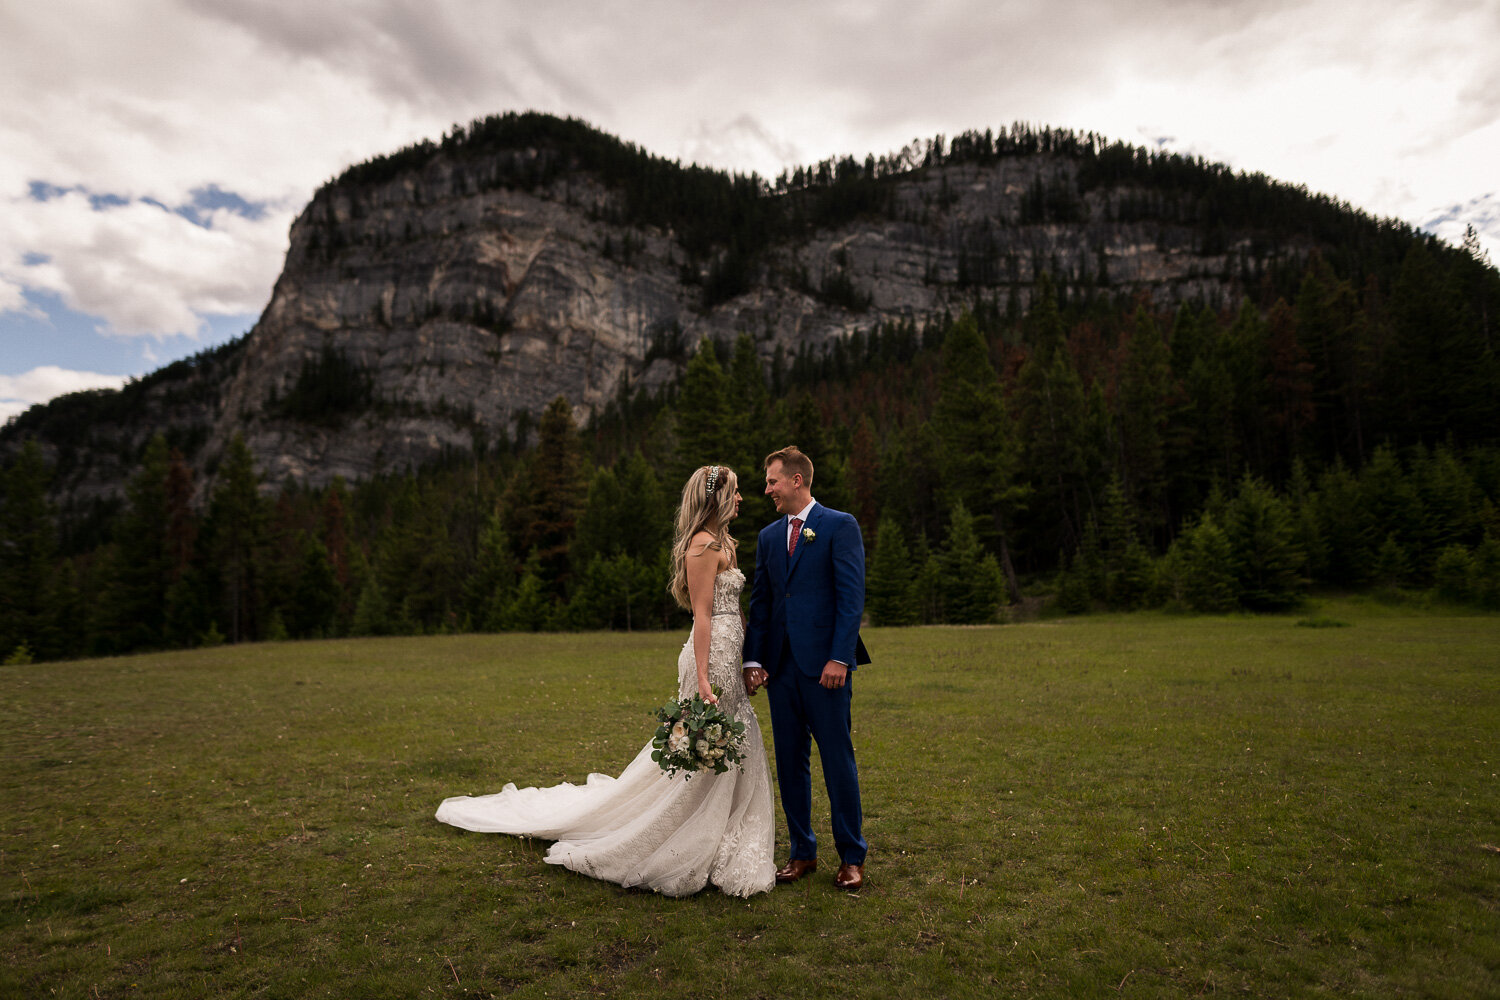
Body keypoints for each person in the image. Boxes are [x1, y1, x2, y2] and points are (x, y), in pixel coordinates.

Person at [434, 465, 776, 897]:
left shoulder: (725, 541)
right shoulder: (701, 546)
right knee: (708, 748)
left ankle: (725, 838)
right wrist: (705, 680)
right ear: (716, 498)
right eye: (736, 492)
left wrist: (749, 658)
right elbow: (703, 616)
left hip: (732, 651)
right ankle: (680, 838)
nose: (743, 498)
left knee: (735, 742)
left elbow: (734, 609)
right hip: (709, 657)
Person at [742, 445, 870, 891]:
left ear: (797, 480)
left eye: (772, 481)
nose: (767, 489)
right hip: (781, 669)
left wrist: (840, 656)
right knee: (790, 763)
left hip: (825, 668)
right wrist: (754, 659)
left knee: (838, 761)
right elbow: (762, 603)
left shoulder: (839, 525)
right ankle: (802, 852)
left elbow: (851, 597)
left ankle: (852, 856)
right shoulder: (768, 537)